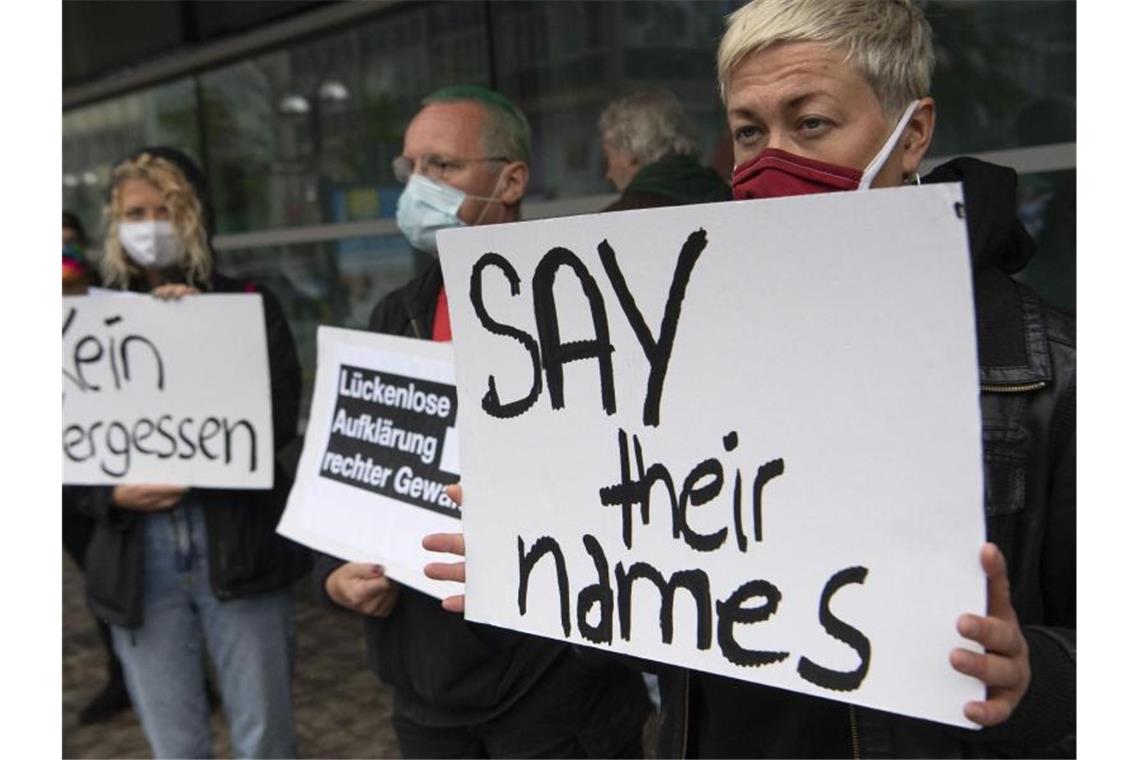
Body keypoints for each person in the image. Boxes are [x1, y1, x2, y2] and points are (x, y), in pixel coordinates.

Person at [424, 2, 1075, 756]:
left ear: (913, 133)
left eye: (812, 124)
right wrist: (548, 566)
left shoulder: (1047, 371)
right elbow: (660, 620)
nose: (771, 160)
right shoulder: (679, 345)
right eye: (747, 132)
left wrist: (1035, 679)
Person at [314, 85, 651, 759]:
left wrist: (582, 653)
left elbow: (635, 480)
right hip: (425, 686)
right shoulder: (395, 314)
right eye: (410, 170)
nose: (420, 186)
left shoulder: (585, 303)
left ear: (511, 179)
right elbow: (354, 473)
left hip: (555, 693)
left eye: (442, 166)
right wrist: (336, 572)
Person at [68, 146, 310, 758]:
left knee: (266, 737)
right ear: (116, 224)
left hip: (239, 541)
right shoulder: (82, 323)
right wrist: (110, 493)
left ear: (196, 216)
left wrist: (202, 335)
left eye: (166, 210)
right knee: (175, 744)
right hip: (136, 556)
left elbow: (278, 417)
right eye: (136, 212)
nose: (150, 226)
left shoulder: (249, 302)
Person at [62, 210, 134, 725]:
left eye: (70, 246)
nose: (63, 261)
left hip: (122, 470)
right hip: (70, 485)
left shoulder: (117, 307)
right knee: (99, 578)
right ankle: (122, 673)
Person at [598, 89, 730, 211]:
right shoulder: (731, 198)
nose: (608, 174)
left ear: (631, 155)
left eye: (608, 157)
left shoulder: (615, 222)